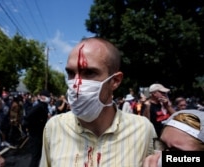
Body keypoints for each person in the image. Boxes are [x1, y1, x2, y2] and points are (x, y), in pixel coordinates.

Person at [39, 37, 157, 166]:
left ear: (115, 81)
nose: (76, 85)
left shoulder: (143, 130)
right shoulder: (54, 127)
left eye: (89, 73)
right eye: (71, 73)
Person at [23, 90, 50, 167]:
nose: (49, 98)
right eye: (47, 96)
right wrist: (32, 127)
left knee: (38, 156)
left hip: (39, 134)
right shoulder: (39, 107)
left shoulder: (44, 106)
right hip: (35, 135)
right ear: (42, 97)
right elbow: (27, 117)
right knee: (35, 157)